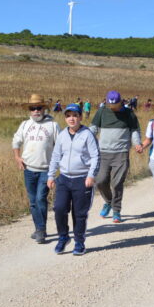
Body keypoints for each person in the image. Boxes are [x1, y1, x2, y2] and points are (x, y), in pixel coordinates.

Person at [47, 103, 100, 255]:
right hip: (63, 178)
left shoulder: (87, 134)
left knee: (79, 213)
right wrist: (51, 175)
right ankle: (63, 237)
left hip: (82, 179)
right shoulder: (62, 135)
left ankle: (79, 242)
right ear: (65, 118)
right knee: (59, 208)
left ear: (80, 117)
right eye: (68, 115)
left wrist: (91, 175)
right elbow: (56, 156)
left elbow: (96, 156)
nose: (72, 119)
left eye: (75, 116)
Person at [12, 94, 61, 244]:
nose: (36, 111)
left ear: (43, 109)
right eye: (33, 108)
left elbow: (60, 146)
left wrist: (57, 167)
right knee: (33, 201)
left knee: (41, 198)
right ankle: (40, 228)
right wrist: (17, 157)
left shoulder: (52, 125)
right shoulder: (25, 125)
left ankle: (40, 230)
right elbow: (16, 141)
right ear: (29, 110)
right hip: (29, 168)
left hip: (46, 169)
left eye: (39, 108)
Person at [90, 90, 143, 223]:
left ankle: (116, 211)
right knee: (100, 180)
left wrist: (137, 143)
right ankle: (109, 202)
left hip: (121, 153)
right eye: (110, 105)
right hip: (103, 152)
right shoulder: (102, 111)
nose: (113, 108)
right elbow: (93, 129)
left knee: (117, 183)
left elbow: (134, 130)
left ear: (121, 102)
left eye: (115, 105)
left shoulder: (129, 113)